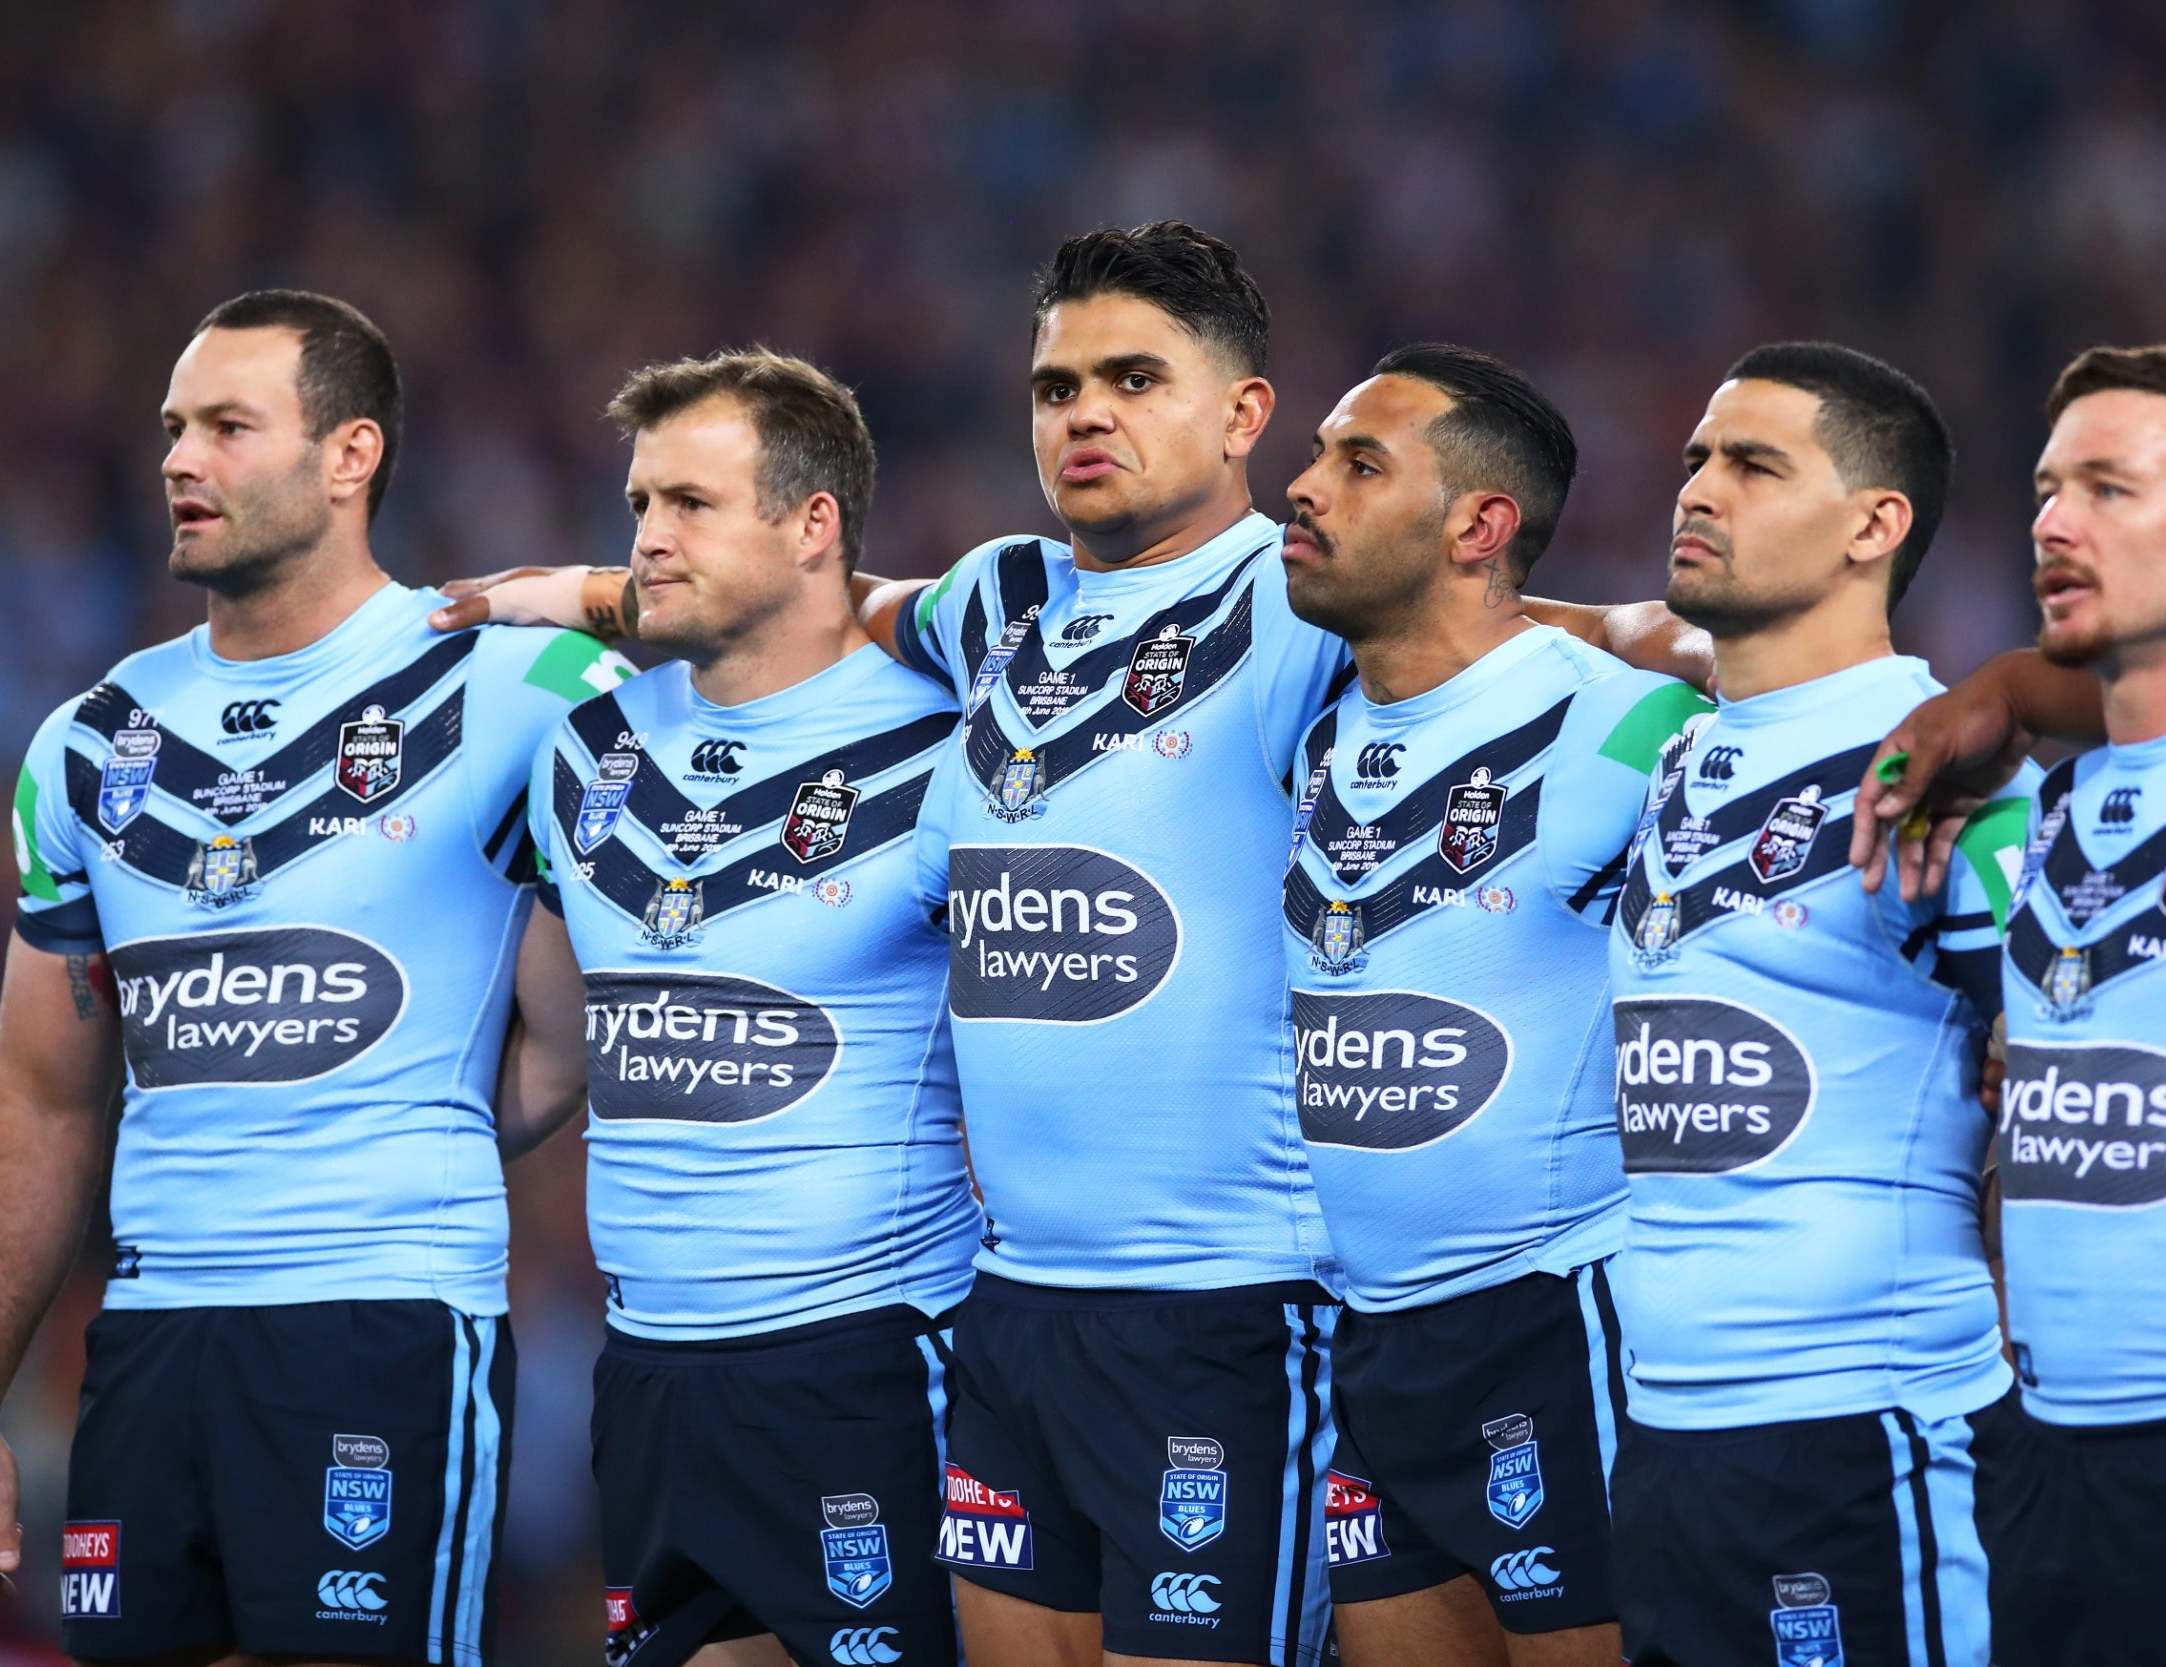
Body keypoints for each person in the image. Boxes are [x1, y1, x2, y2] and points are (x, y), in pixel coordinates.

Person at [428, 221, 1706, 1667]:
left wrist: (1757, 665)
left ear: (1241, 416)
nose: (1086, 411)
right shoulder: (996, 603)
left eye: (1134, 378)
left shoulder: (1303, 609)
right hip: (1014, 1312)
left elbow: (1561, 631)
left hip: (1229, 1300)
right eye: (1057, 386)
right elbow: (826, 602)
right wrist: (590, 596)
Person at [0, 291, 629, 1667]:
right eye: (173, 427)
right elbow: (42, 1099)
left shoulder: (523, 688)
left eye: (229, 425)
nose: (178, 458)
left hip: (381, 1318)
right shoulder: (89, 744)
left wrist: (422, 1129)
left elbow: (580, 1039)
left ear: (351, 456)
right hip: (153, 1337)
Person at [501, 348, 978, 1667]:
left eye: (692, 504)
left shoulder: (949, 750)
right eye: (640, 503)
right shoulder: (584, 748)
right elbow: (561, 1053)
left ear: (812, 522)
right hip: (648, 1365)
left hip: (869, 1359)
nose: (648, 538)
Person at [1275, 343, 1708, 1667]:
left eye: (1357, 464)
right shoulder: (1311, 719)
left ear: (1479, 523)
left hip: (1556, 1313)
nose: (1301, 488)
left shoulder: (1626, 722)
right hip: (1370, 1333)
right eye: (1314, 455)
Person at [1603, 342, 2034, 1667]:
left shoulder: (1943, 779)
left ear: (1872, 524)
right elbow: (1544, 638)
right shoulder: (1649, 745)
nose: (1698, 488)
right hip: (1660, 1438)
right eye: (1692, 461)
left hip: (1866, 1430)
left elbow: (2072, 1083)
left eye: (1750, 464)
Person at [1972, 342, 2166, 1667]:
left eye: (2109, 489)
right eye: (2043, 489)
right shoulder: (2051, 807)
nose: (2053, 523)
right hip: (2042, 1453)